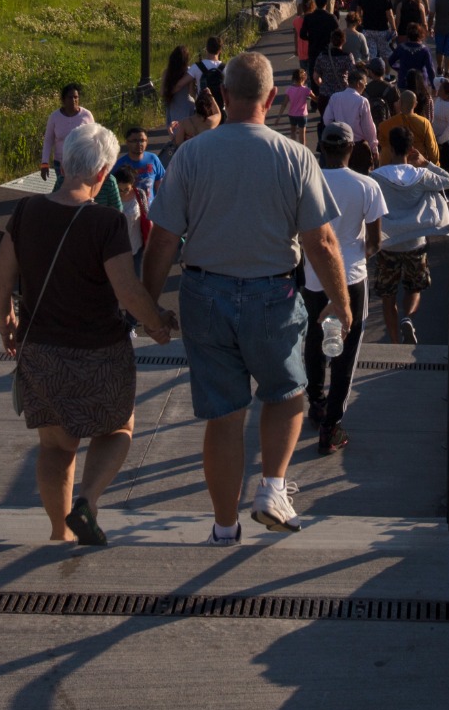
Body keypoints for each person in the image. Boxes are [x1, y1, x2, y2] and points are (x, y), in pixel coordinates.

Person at [142, 53, 347, 539]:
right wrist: (342, 302)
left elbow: (163, 241)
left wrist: (149, 309)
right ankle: (272, 487)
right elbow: (320, 241)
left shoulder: (192, 155)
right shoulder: (295, 156)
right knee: (286, 393)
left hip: (203, 293)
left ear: (225, 96)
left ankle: (223, 526)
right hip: (272, 292)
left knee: (223, 415)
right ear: (271, 98)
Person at [0, 120, 177, 546]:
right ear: (102, 173)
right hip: (100, 351)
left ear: (64, 164)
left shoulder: (25, 213)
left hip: (42, 351)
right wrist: (157, 323)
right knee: (118, 428)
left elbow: (1, 285)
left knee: (56, 446)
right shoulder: (106, 223)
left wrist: (7, 323)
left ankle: (59, 534)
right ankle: (87, 502)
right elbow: (127, 291)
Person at [302, 121, 385, 455]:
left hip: (312, 275)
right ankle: (331, 426)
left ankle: (317, 402)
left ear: (321, 147)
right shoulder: (367, 186)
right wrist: (355, 252)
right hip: (351, 277)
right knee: (345, 352)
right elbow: (376, 241)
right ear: (352, 149)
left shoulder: (308, 183)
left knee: (314, 339)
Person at [369, 125, 449, 343]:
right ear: (411, 149)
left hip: (387, 244)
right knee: (414, 288)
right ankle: (407, 318)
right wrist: (425, 162)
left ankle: (395, 342)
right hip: (415, 243)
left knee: (387, 296)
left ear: (389, 147)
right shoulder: (421, 174)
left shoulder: (376, 177)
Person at [112, 126, 164, 249]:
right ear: (127, 142)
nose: (139, 144)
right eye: (134, 140)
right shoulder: (120, 164)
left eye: (142, 140)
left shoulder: (153, 159)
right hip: (131, 215)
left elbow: (159, 181)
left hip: (150, 213)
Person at [38, 83, 94, 180]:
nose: (73, 100)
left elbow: (94, 139)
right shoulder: (54, 117)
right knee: (63, 190)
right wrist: (44, 163)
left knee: (78, 190)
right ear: (63, 99)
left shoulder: (86, 115)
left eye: (76, 97)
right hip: (60, 163)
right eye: (70, 97)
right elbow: (48, 141)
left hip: (81, 163)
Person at [323, 63, 377, 147]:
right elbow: (368, 128)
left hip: (339, 143)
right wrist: (373, 147)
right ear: (359, 83)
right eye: (365, 84)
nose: (365, 87)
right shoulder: (362, 101)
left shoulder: (335, 97)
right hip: (357, 144)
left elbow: (327, 120)